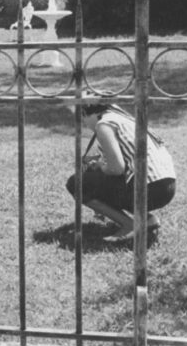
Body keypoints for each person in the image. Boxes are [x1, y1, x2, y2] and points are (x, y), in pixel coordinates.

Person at [66, 103, 176, 243]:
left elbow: (116, 169)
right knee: (94, 179)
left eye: (83, 120)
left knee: (76, 183)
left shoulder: (104, 125)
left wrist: (99, 168)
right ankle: (147, 219)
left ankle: (130, 225)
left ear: (84, 114)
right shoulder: (122, 118)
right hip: (166, 186)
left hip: (149, 189)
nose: (85, 124)